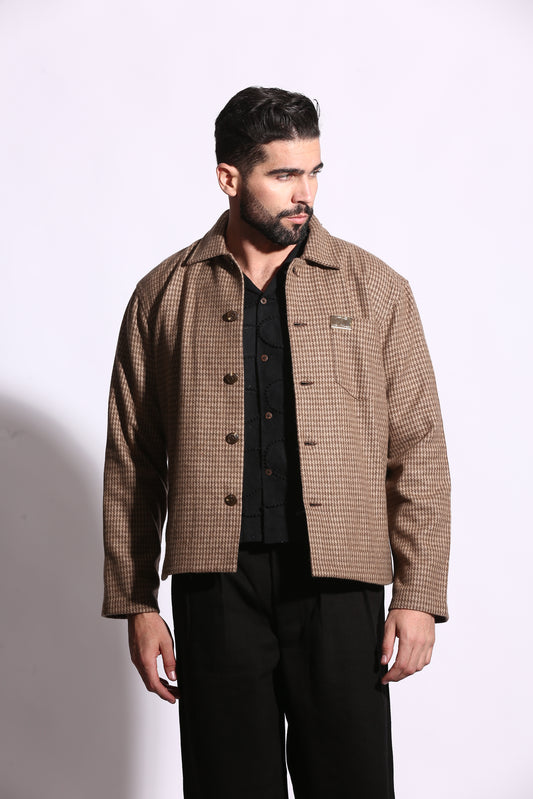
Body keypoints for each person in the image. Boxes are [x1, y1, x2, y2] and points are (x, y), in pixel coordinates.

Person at [102, 86, 451, 799]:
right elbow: (132, 460)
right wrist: (137, 601)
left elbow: (417, 446)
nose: (305, 193)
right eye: (284, 174)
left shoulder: (375, 289)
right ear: (230, 178)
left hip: (340, 582)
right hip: (215, 583)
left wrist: (418, 592)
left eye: (314, 171)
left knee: (351, 782)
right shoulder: (164, 294)